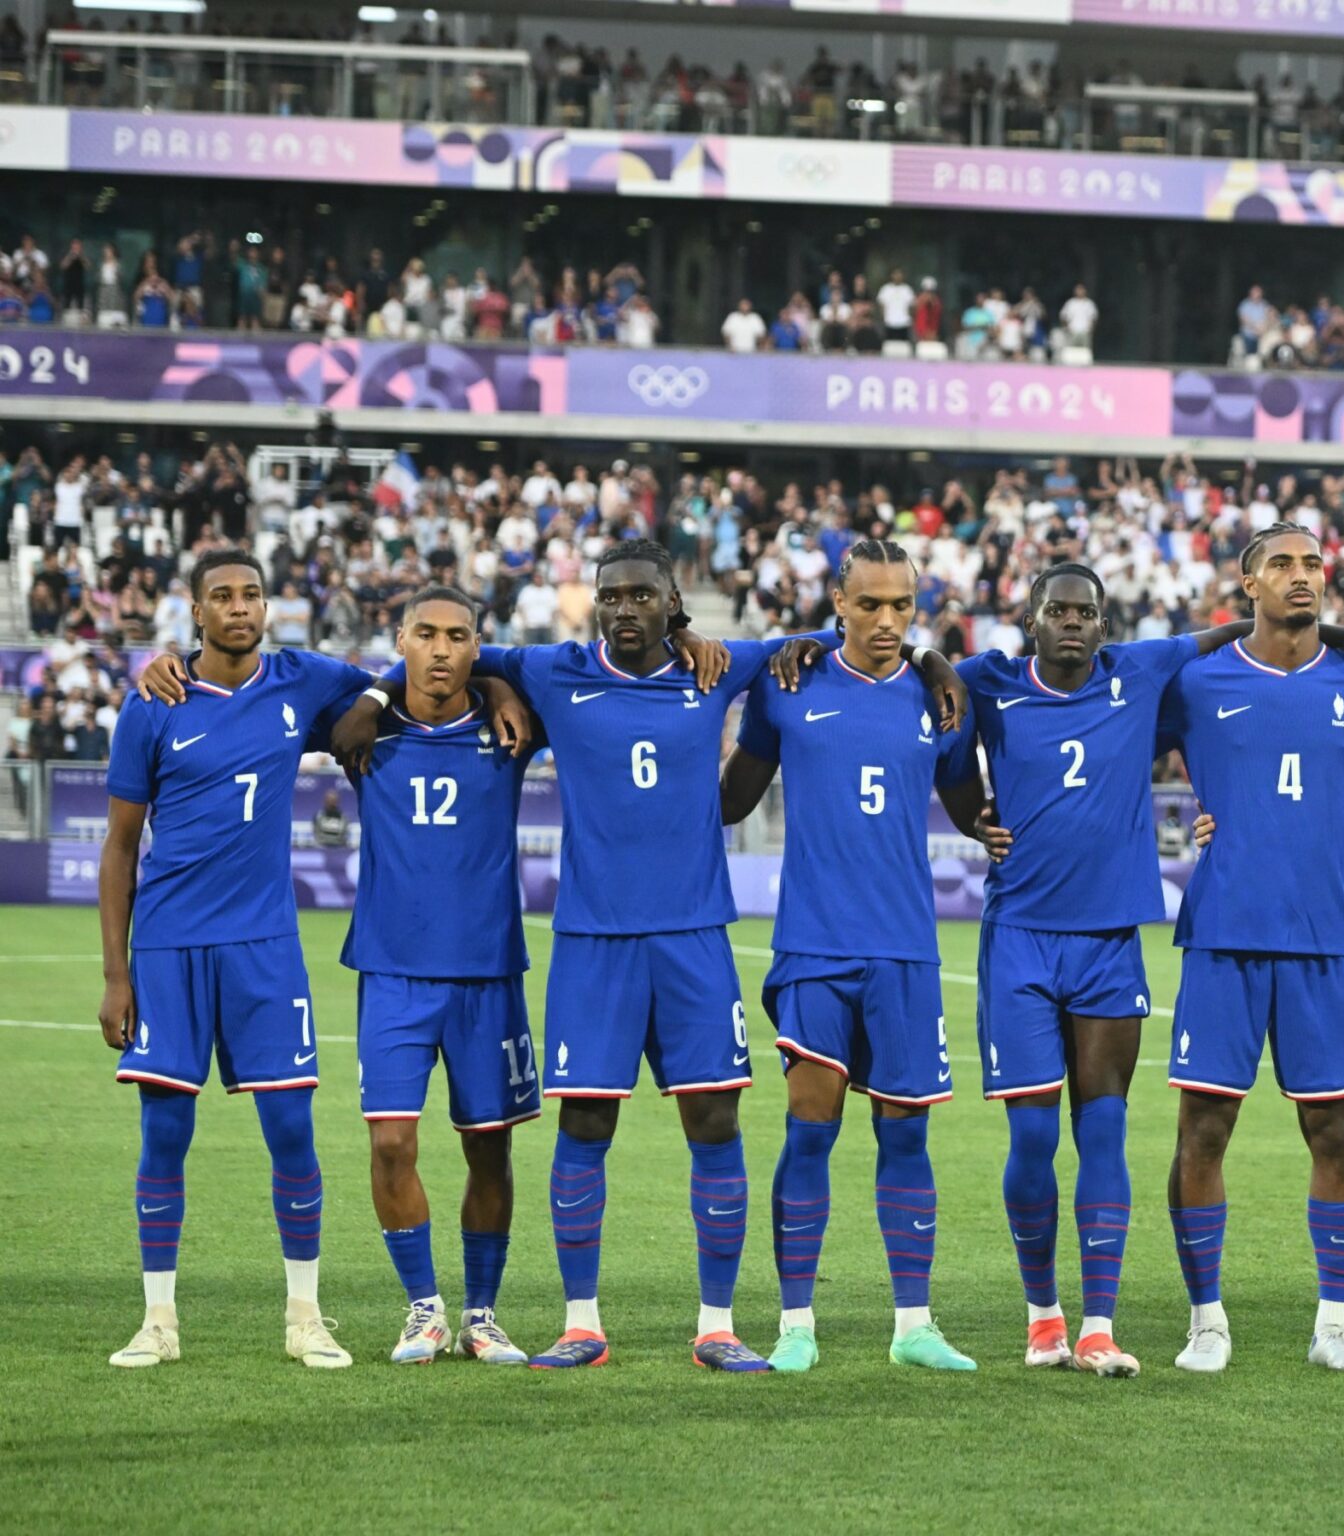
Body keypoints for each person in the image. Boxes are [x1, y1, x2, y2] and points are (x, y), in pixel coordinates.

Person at [333, 540, 945, 1372]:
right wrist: (378, 691)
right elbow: (454, 654)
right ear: (595, 603)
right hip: (593, 943)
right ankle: (582, 1323)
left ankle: (717, 1325)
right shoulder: (552, 669)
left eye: (642, 596)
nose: (625, 609)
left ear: (673, 604)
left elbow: (844, 636)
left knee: (715, 1121)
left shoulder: (723, 668)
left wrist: (934, 659)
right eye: (611, 595)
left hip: (694, 939)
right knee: (584, 1123)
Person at [933, 563, 1344, 1376]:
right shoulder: (991, 681)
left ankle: (1102, 1326)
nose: (1073, 623)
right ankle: (1046, 1317)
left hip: (1113, 937)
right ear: (1030, 618)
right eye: (1057, 611)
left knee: (1107, 1129)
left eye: (1086, 612)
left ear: (1105, 622)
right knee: (1038, 1135)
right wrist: (973, 814)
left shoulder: (1140, 672)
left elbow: (1232, 639)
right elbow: (925, 688)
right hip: (1023, 937)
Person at [97, 551, 407, 1369]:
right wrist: (115, 974)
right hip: (167, 945)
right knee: (164, 1132)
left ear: (268, 605)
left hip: (264, 947)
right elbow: (121, 845)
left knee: (291, 1130)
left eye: (252, 594)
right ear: (195, 612)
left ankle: (303, 1315)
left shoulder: (299, 682)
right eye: (222, 597)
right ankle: (157, 1320)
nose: (240, 608)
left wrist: (373, 696)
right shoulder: (151, 703)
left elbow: (398, 675)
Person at [719, 541, 979, 1375]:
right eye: (870, 605)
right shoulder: (789, 686)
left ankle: (913, 1325)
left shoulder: (937, 699)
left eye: (903, 606)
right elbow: (730, 799)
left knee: (907, 1140)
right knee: (809, 1135)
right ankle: (797, 1323)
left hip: (906, 950)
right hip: (815, 948)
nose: (888, 622)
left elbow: (977, 807)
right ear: (838, 602)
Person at [1158, 526, 1344, 1375]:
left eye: (1314, 565)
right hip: (1222, 932)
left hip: (1324, 939)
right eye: (1283, 565)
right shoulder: (1195, 681)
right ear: (1247, 582)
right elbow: (1115, 753)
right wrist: (1195, 819)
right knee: (1204, 1129)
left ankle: (1334, 1324)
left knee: (1334, 1129)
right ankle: (1206, 1321)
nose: (1303, 577)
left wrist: (1320, 817)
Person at [341, 587, 541, 1365]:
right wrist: (378, 687)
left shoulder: (512, 727)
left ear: (476, 645)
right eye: (424, 634)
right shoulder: (362, 730)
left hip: (487, 971)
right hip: (391, 969)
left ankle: (481, 1314)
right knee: (391, 1143)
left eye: (458, 637)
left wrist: (496, 685)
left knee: (489, 1149)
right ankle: (423, 1308)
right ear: (400, 639)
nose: (441, 649)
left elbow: (532, 677)